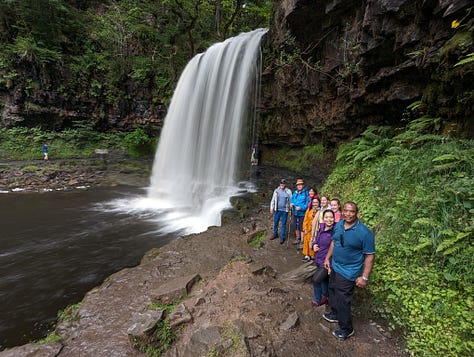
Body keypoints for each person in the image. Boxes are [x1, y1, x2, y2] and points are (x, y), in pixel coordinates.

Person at [323, 201, 375, 340]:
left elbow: (370, 256)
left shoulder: (364, 233)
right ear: (342, 211)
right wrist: (328, 258)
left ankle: (347, 328)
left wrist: (364, 277)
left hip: (348, 271)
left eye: (352, 211)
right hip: (335, 265)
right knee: (332, 289)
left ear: (357, 213)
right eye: (346, 210)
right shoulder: (339, 224)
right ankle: (334, 314)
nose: (348, 214)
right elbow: (334, 242)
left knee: (343, 299)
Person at [311, 209, 335, 306]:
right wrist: (314, 245)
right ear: (323, 219)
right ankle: (325, 295)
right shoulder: (321, 229)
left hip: (327, 262)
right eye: (327, 217)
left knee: (316, 279)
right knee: (324, 279)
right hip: (318, 258)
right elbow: (316, 240)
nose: (329, 219)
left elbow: (336, 248)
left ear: (334, 218)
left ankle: (318, 299)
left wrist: (331, 264)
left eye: (331, 217)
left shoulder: (334, 231)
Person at [269, 179, 292, 244]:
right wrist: (271, 208)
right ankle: (275, 233)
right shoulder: (276, 191)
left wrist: (290, 210)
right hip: (277, 209)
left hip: (285, 210)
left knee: (283, 223)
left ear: (285, 184)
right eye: (281, 183)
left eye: (283, 183)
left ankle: (282, 236)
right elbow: (273, 200)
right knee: (275, 222)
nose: (282, 184)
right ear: (280, 184)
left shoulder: (288, 191)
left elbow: (291, 200)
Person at [290, 178, 309, 245]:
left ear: (303, 185)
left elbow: (307, 204)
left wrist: (301, 208)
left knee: (301, 227)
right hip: (295, 213)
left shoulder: (306, 193)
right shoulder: (295, 193)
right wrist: (291, 204)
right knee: (295, 226)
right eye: (298, 185)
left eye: (300, 185)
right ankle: (297, 238)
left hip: (302, 214)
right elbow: (292, 200)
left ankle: (302, 241)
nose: (299, 186)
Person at [301, 197, 320, 261]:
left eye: (316, 202)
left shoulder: (320, 211)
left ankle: (313, 255)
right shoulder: (309, 210)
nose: (315, 204)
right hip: (308, 229)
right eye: (313, 202)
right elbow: (305, 220)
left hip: (316, 229)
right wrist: (305, 228)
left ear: (319, 203)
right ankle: (306, 254)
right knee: (306, 241)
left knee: (314, 241)